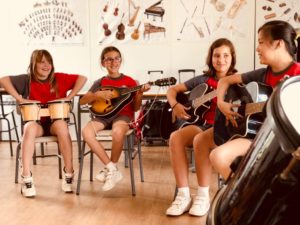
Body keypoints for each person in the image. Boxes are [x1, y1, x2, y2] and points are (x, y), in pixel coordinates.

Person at [210, 20, 300, 180]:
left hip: (282, 144)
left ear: (278, 43)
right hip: (258, 136)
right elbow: (224, 81)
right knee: (214, 150)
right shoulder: (262, 74)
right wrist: (222, 104)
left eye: (260, 43)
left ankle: (241, 198)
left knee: (219, 156)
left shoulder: (297, 76)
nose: (257, 49)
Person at [165, 38, 238, 216]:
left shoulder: (237, 81)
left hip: (222, 128)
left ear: (232, 58)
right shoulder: (203, 79)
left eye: (225, 55)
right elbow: (172, 90)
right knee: (175, 137)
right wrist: (175, 105)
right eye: (216, 55)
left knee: (200, 140)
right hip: (201, 124)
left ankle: (203, 195)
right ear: (210, 58)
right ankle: (183, 195)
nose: (221, 60)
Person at [0, 49, 87, 197]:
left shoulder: (59, 78)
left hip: (55, 124)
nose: (46, 65)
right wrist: (19, 99)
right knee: (29, 128)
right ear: (33, 64)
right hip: (36, 124)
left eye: (49, 62)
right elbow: (3, 80)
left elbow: (83, 78)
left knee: (62, 126)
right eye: (42, 62)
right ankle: (26, 177)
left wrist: (70, 96)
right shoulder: (26, 80)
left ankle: (69, 173)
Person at [80, 46, 150, 192]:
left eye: (117, 58)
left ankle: (110, 169)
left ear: (120, 61)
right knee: (86, 132)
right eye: (109, 59)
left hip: (123, 116)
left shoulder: (130, 81)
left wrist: (139, 94)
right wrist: (96, 95)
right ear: (103, 62)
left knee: (117, 132)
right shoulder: (100, 82)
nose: (113, 62)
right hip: (103, 116)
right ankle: (112, 168)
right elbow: (82, 101)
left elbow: (136, 108)